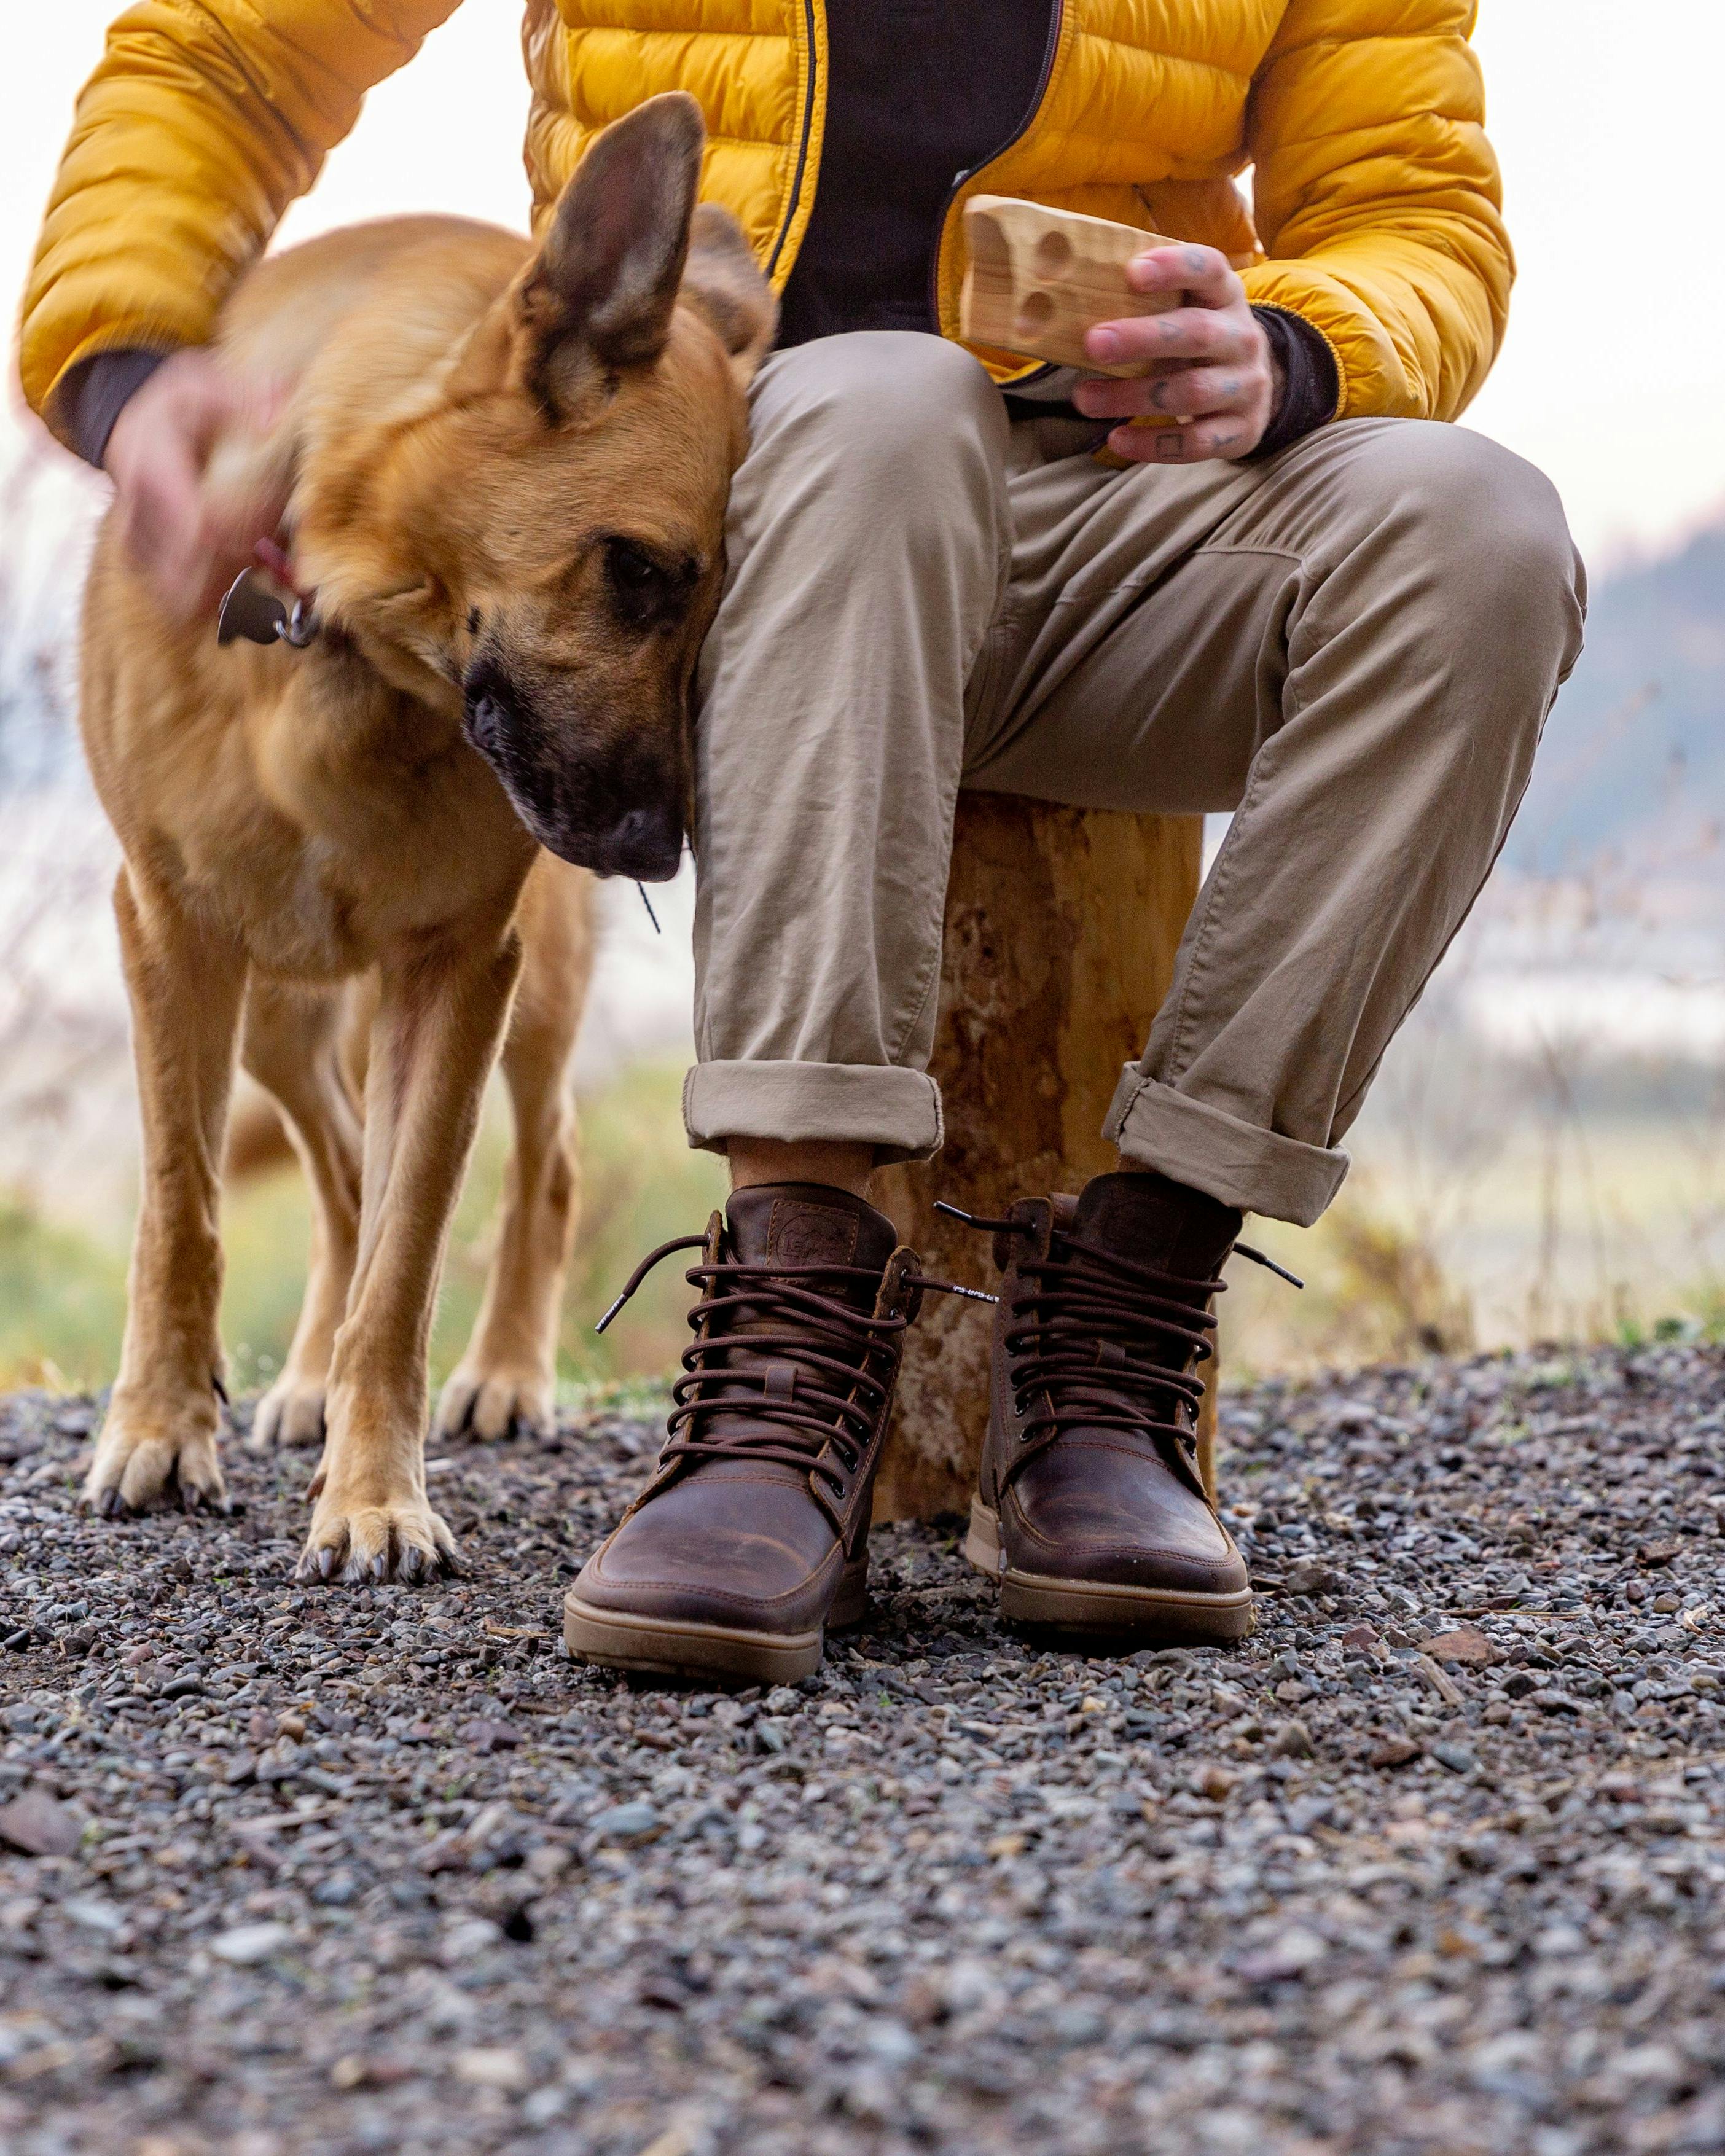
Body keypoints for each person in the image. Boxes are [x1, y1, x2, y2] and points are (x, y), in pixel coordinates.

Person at [22, 1, 1585, 1684]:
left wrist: (1291, 346)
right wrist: (125, 370)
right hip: (744, 535)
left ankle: (1131, 1311)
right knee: (880, 403)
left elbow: (1417, 210)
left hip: (1128, 508)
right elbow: (231, 48)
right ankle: (788, 1325)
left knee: (1483, 541)